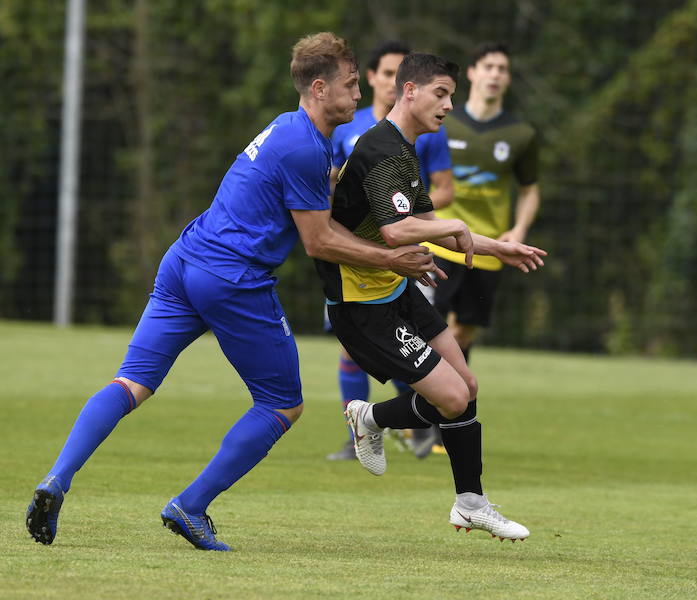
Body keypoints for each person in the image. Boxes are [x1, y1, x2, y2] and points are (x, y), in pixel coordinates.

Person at [24, 32, 439, 552]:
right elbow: (318, 241)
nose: (358, 96)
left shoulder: (288, 132)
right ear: (318, 88)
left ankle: (56, 479)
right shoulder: (305, 147)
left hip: (183, 262)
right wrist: (391, 258)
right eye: (351, 85)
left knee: (132, 382)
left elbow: (313, 197)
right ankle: (190, 506)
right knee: (282, 405)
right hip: (232, 280)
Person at [317, 52, 546, 541]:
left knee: (467, 389)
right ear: (410, 91)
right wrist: (463, 225)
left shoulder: (405, 149)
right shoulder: (381, 150)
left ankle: (466, 501)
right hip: (361, 304)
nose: (447, 106)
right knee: (452, 396)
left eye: (451, 97)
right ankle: (378, 424)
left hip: (395, 290)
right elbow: (397, 230)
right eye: (441, 94)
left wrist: (496, 247)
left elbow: (433, 230)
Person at [326, 41, 453, 462]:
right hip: (361, 264)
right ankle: (361, 430)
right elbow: (331, 188)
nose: (384, 82)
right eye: (382, 73)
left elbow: (438, 192)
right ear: (390, 82)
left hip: (406, 260)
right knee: (356, 349)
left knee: (437, 372)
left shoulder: (421, 136)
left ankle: (405, 421)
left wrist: (417, 213)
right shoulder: (350, 129)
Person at [424, 42, 540, 366]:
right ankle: (431, 406)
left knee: (463, 333)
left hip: (488, 249)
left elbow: (530, 190)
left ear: (508, 79)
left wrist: (519, 229)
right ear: (473, 73)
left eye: (502, 69)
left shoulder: (521, 134)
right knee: (428, 330)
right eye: (489, 67)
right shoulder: (442, 122)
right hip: (440, 241)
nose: (495, 74)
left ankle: (447, 408)